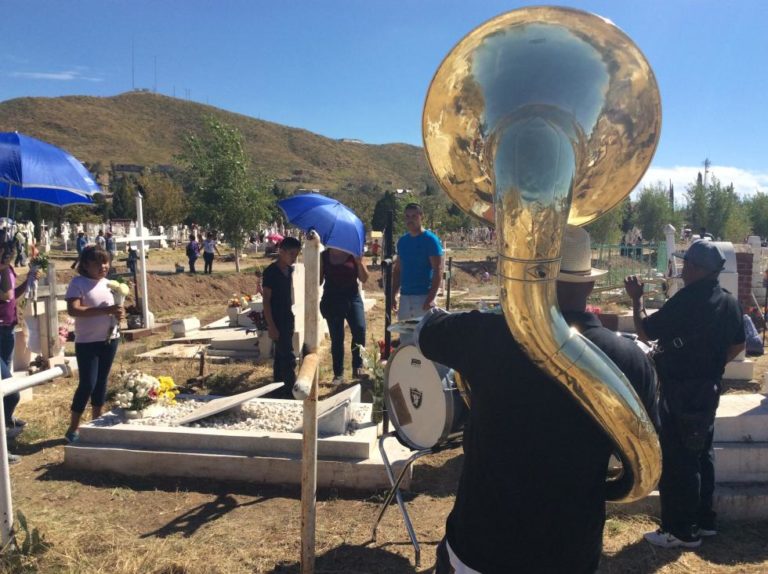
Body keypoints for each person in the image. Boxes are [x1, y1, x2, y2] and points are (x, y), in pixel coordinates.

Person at [420, 225, 659, 573]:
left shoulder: (487, 336)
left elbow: (426, 331)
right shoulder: (631, 360)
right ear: (590, 283)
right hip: (569, 554)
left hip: (479, 550)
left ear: (532, 276)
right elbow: (648, 457)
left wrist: (502, 304)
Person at [625, 239, 745, 549]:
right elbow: (738, 345)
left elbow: (645, 332)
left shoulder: (686, 300)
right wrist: (713, 367)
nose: (682, 268)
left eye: (686, 263)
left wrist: (636, 300)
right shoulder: (729, 302)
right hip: (709, 387)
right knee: (702, 452)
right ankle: (705, 521)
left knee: (680, 459)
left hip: (681, 389)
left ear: (696, 268)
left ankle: (681, 530)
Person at [63, 246, 125, 443]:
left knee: (101, 382)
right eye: (98, 263)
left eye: (105, 262)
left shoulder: (110, 284)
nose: (103, 266)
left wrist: (119, 313)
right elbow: (74, 310)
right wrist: (105, 311)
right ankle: (74, 427)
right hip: (87, 342)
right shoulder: (78, 283)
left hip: (109, 339)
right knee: (87, 383)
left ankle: (96, 423)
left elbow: (114, 309)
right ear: (86, 265)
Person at [0, 239, 39, 464]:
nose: (8, 253)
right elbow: (5, 295)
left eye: (8, 250)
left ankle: (5, 426)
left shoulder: (8, 270)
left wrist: (29, 280)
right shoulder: (4, 271)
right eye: (4, 249)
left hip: (7, 331)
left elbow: (13, 295)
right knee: (11, 391)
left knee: (6, 389)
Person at [320, 247, 369, 384]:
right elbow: (318, 281)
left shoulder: (354, 253)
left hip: (352, 297)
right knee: (337, 337)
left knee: (360, 329)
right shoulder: (324, 256)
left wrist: (359, 263)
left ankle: (357, 367)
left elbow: (364, 278)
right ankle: (338, 374)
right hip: (332, 299)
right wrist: (317, 267)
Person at [262, 237, 301, 399]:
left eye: (296, 255)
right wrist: (271, 325)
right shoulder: (271, 272)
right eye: (291, 254)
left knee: (281, 354)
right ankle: (291, 389)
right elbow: (266, 300)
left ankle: (278, 386)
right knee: (288, 355)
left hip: (287, 316)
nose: (294, 258)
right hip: (276, 318)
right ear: (281, 251)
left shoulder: (290, 271)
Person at [392, 203, 444, 321]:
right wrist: (393, 294)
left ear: (421, 217)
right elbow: (398, 270)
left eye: (414, 216)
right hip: (405, 297)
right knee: (406, 337)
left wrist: (430, 298)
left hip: (424, 296)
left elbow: (438, 270)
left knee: (424, 337)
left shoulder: (430, 240)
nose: (410, 220)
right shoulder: (402, 241)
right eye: (407, 216)